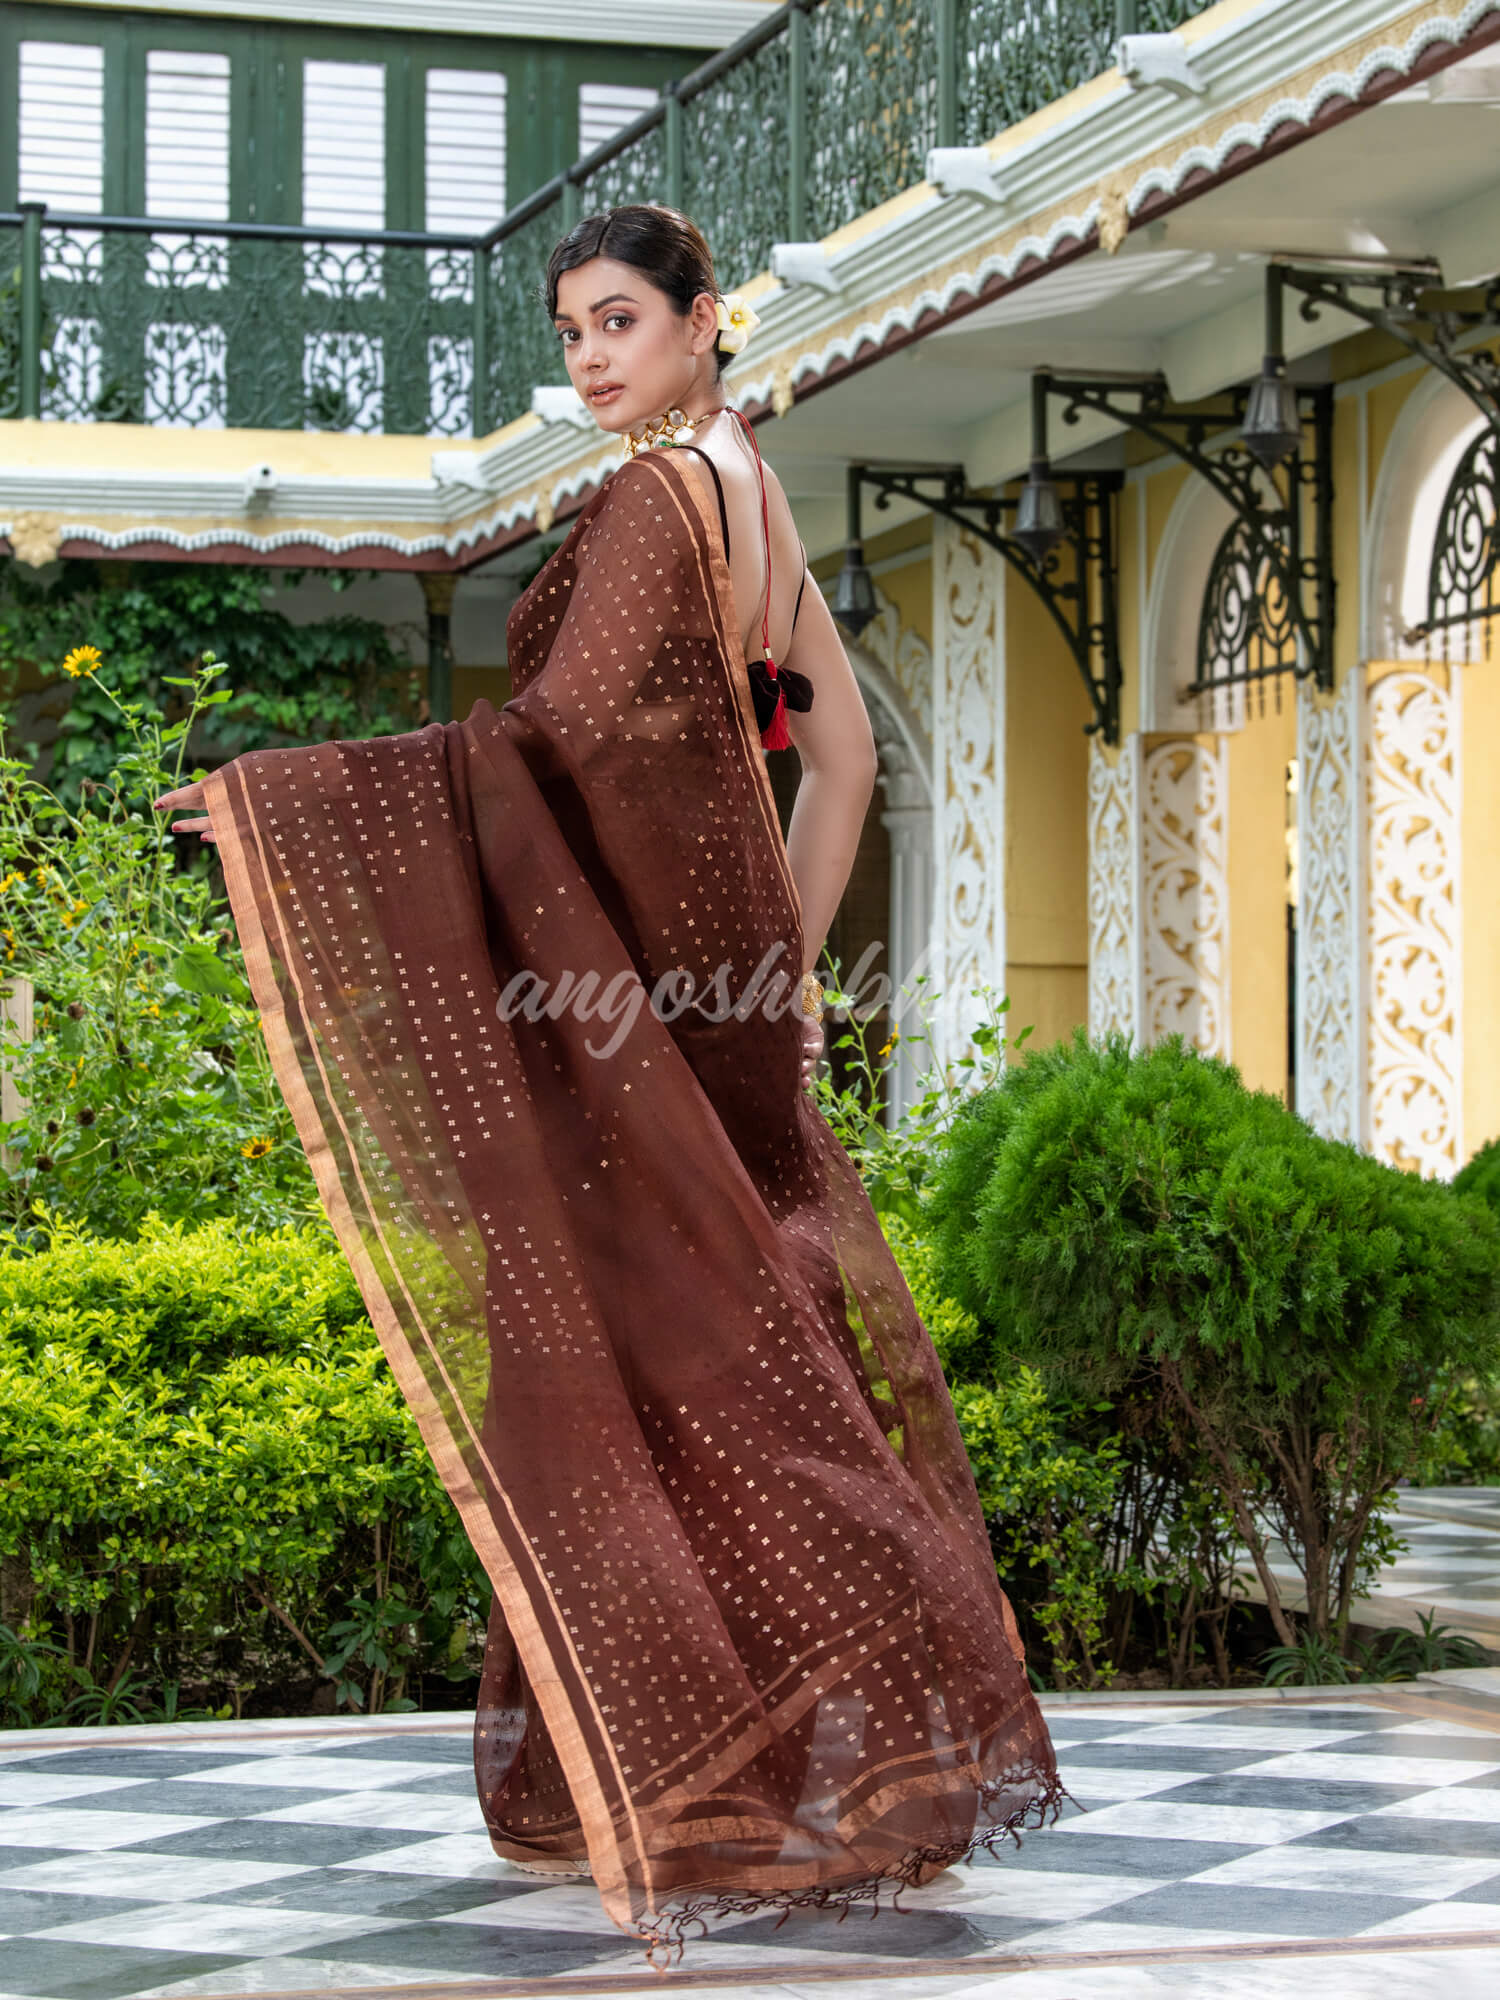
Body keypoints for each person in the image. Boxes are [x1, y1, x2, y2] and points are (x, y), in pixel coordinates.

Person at [153, 203, 1062, 1966]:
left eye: (620, 320)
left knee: (667, 1383)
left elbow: (548, 741)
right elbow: (842, 747)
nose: (587, 356)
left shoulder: (658, 498)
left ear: (706, 319)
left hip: (644, 1011)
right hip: (708, 1008)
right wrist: (776, 986)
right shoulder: (751, 486)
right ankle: (809, 1764)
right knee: (741, 1370)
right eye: (569, 326)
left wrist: (284, 811)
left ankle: (790, 1767)